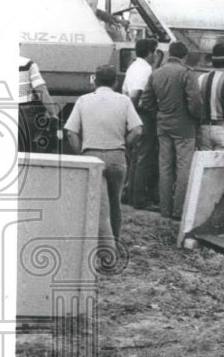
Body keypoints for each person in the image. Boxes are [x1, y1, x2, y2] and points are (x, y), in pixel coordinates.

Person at [63, 65, 142, 248]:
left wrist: (82, 153)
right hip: (117, 155)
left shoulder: (83, 100)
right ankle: (115, 241)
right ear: (115, 82)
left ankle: (103, 248)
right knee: (115, 204)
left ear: (95, 81)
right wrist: (124, 144)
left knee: (98, 206)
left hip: (92, 155)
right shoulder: (124, 101)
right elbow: (137, 130)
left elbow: (70, 133)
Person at [139, 41, 202, 220]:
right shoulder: (187, 73)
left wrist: (158, 113)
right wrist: (197, 118)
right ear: (184, 56)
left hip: (163, 126)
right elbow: (195, 102)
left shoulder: (156, 73)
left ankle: (165, 209)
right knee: (183, 168)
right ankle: (179, 210)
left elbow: (146, 100)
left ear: (169, 54)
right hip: (185, 127)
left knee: (165, 167)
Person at [122, 38, 160, 208]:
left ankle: (130, 194)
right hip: (142, 115)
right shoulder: (145, 69)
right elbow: (136, 94)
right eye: (155, 52)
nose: (156, 55)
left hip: (133, 114)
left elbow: (125, 91)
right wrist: (136, 115)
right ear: (150, 53)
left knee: (136, 157)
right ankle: (140, 198)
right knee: (145, 156)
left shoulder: (132, 67)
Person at [18, 54, 60, 153]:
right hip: (23, 112)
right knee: (25, 148)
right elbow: (40, 89)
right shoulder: (27, 64)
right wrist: (53, 113)